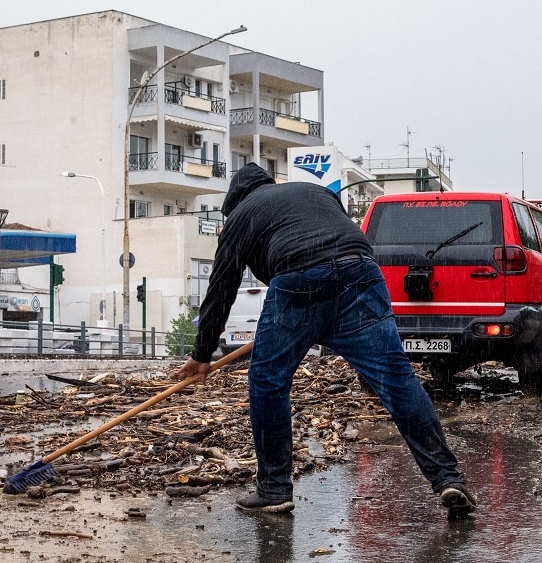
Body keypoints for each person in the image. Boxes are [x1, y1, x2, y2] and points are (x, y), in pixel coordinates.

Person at [175, 163, 475, 518]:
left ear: (234, 200)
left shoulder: (241, 215)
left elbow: (221, 288)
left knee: (268, 382)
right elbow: (335, 241)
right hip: (361, 272)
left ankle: (273, 490)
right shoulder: (315, 192)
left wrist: (201, 353)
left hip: (299, 279)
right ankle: (448, 477)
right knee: (396, 378)